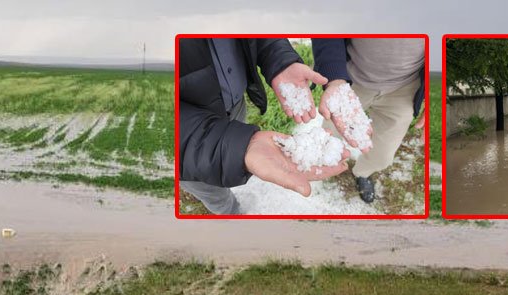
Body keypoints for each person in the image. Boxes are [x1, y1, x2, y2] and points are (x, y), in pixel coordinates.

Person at [178, 38, 348, 214]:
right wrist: (234, 148)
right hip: (188, 144)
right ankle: (230, 213)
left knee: (228, 162)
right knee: (212, 191)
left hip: (234, 105)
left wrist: (280, 60)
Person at [313, 38, 426, 204]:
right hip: (350, 77)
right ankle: (321, 165)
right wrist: (335, 78)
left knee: (382, 156)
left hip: (405, 89)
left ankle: (362, 173)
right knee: (328, 137)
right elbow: (328, 27)